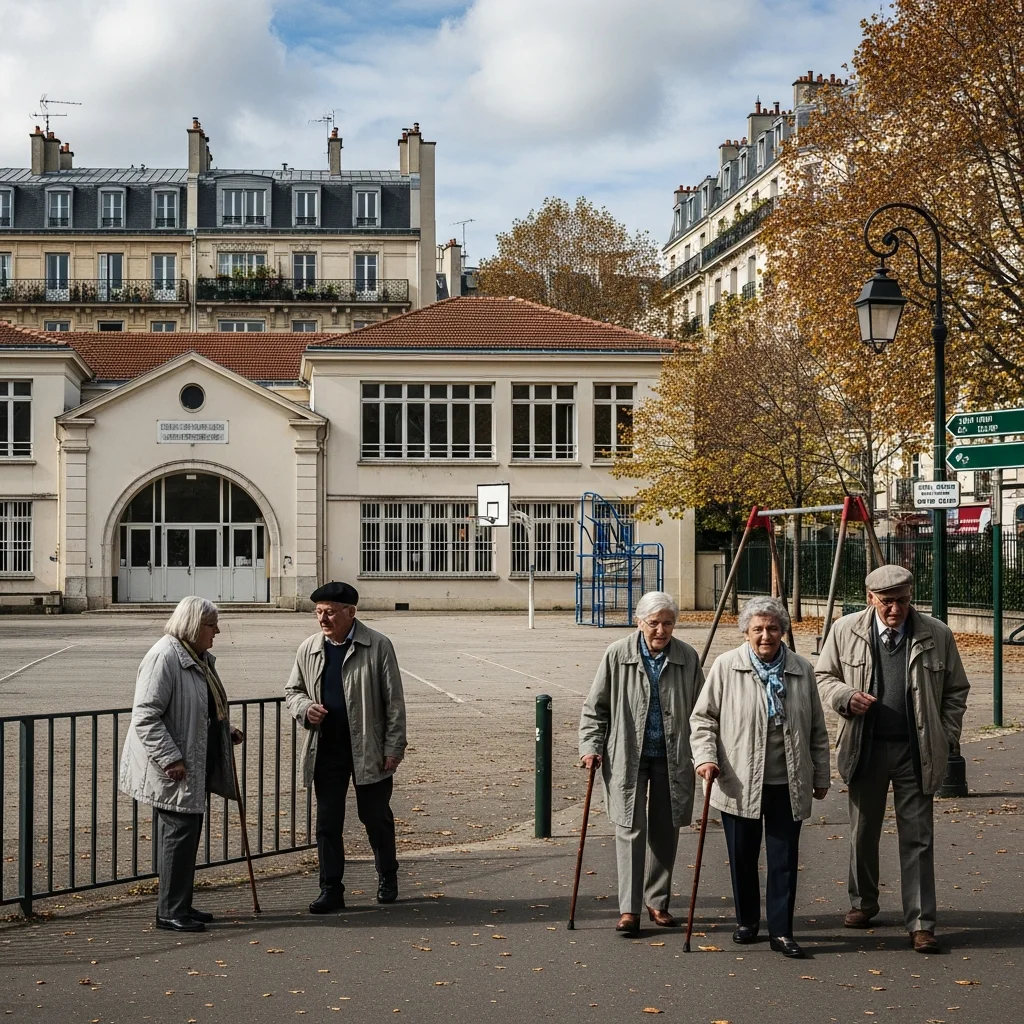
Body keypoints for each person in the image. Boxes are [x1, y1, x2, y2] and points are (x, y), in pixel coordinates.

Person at [816, 565, 970, 954]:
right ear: (870, 598)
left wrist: (947, 736)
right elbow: (823, 677)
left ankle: (920, 923)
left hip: (916, 751)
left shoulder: (936, 633)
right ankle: (863, 903)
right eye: (887, 602)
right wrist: (845, 697)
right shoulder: (845, 629)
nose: (895, 610)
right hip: (864, 747)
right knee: (862, 831)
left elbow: (956, 690)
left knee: (918, 838)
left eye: (902, 600)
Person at [690, 596, 830, 959]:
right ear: (746, 632)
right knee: (742, 855)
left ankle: (781, 931)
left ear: (783, 631)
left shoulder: (801, 669)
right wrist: (705, 759)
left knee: (783, 860)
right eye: (757, 629)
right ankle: (748, 920)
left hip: (789, 780)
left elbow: (817, 728)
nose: (765, 635)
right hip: (738, 782)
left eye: (772, 628)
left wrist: (822, 774)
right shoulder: (726, 666)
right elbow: (703, 719)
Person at [578, 591, 705, 935]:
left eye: (667, 623)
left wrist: (706, 755)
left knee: (667, 829)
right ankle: (629, 909)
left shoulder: (687, 657)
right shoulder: (617, 654)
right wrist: (590, 746)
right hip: (626, 755)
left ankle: (657, 901)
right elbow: (596, 708)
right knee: (630, 830)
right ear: (639, 622)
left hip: (673, 756)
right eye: (653, 623)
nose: (661, 630)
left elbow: (703, 711)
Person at [119, 597, 242, 933]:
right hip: (174, 766)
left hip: (190, 760)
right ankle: (170, 911)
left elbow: (196, 708)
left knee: (185, 837)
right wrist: (170, 757)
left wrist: (223, 728)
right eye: (211, 624)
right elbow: (145, 716)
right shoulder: (164, 656)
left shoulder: (196, 657)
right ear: (193, 625)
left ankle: (180, 904)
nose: (216, 631)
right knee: (178, 836)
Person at [284, 582, 407, 914]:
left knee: (374, 816)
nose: (323, 618)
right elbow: (292, 691)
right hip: (326, 749)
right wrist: (304, 707)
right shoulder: (308, 648)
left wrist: (394, 746)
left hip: (369, 747)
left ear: (351, 613)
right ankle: (330, 889)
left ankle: (387, 875)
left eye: (331, 612)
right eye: (319, 612)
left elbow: (394, 703)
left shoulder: (378, 645)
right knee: (327, 822)